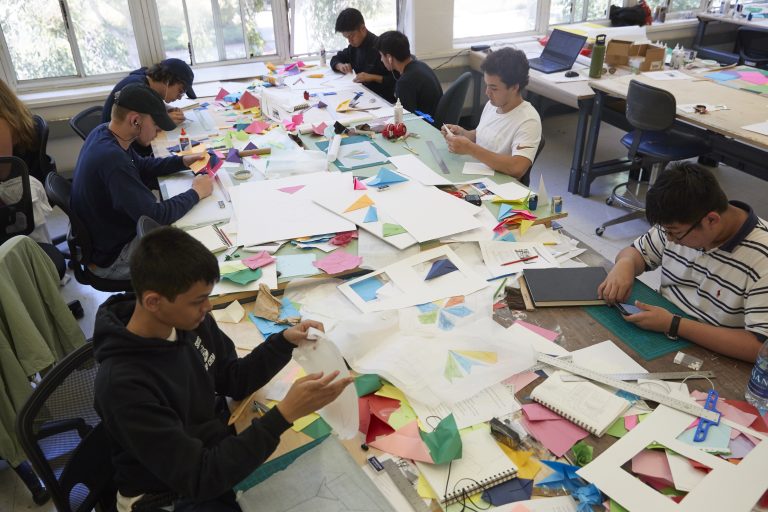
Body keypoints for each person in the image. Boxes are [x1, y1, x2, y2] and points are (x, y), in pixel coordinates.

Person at [94, 226, 353, 511]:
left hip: (206, 454)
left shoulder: (188, 320)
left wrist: (283, 342)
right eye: (198, 300)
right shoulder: (122, 386)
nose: (207, 307)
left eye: (207, 296)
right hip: (166, 493)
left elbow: (233, 379)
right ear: (154, 301)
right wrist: (284, 415)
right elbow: (200, 478)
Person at [598, 162, 768, 363]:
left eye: (674, 233)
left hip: (718, 356)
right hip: (663, 329)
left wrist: (674, 324)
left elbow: (759, 347)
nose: (669, 239)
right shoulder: (681, 218)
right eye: (666, 231)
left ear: (711, 220)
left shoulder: (761, 259)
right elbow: (637, 253)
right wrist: (624, 265)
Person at [71, 83, 212, 280]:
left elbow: (142, 165)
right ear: (135, 120)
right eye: (155, 125)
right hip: (114, 256)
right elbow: (156, 216)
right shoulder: (112, 161)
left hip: (106, 237)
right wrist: (196, 193)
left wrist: (181, 161)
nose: (157, 131)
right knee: (195, 253)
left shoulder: (105, 132)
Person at [441, 48, 541, 181]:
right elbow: (481, 136)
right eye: (486, 85)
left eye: (493, 88)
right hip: (478, 175)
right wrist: (463, 133)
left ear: (514, 87)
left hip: (499, 186)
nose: (487, 92)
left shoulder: (528, 120)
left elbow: (517, 168)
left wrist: (470, 149)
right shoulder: (493, 104)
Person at [103, 58, 196, 126]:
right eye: (180, 91)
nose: (179, 97)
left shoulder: (146, 78)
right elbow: (134, 125)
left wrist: (167, 108)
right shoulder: (136, 90)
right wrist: (165, 120)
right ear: (168, 80)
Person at [330, 7, 396, 103]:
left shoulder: (381, 48)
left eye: (351, 36)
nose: (349, 41)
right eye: (346, 37)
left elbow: (396, 81)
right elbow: (336, 58)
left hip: (382, 100)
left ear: (362, 28)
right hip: (361, 95)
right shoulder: (354, 47)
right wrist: (340, 66)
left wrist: (372, 77)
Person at [376, 30, 443, 122]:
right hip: (434, 119)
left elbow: (406, 121)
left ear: (389, 58)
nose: (381, 60)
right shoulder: (420, 65)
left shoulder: (405, 82)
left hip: (427, 126)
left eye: (381, 56)